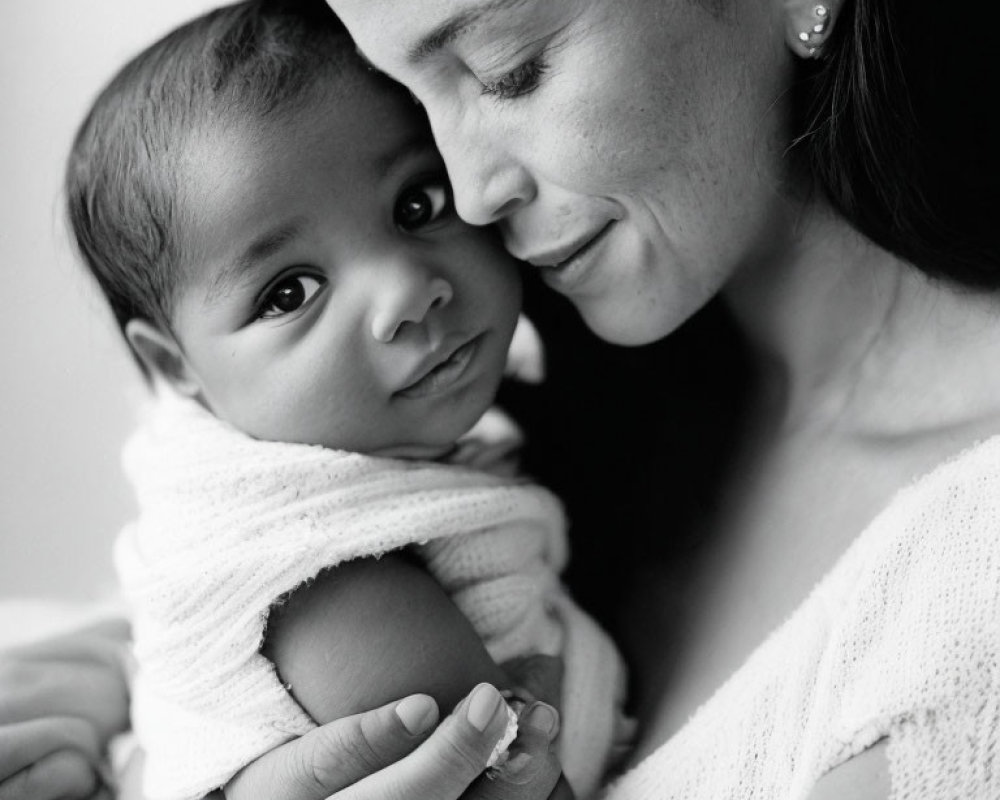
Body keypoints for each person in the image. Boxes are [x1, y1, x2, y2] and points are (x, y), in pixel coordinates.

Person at [3, 0, 999, 797]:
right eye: (412, 100)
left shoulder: (956, 598)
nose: (471, 195)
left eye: (506, 69)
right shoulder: (484, 422)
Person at [18, 1, 633, 798]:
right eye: (290, 293)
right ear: (177, 367)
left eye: (417, 204)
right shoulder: (328, 568)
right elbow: (499, 782)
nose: (406, 293)